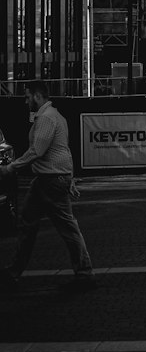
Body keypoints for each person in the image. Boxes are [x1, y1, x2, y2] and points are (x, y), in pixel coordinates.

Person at [0, 82, 95, 296]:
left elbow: (37, 151)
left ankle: (84, 273)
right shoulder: (55, 115)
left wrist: (10, 168)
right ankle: (14, 272)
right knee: (33, 223)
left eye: (27, 97)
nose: (25, 102)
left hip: (49, 180)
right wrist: (69, 178)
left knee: (58, 227)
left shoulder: (45, 118)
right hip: (50, 178)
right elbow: (62, 150)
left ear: (37, 96)